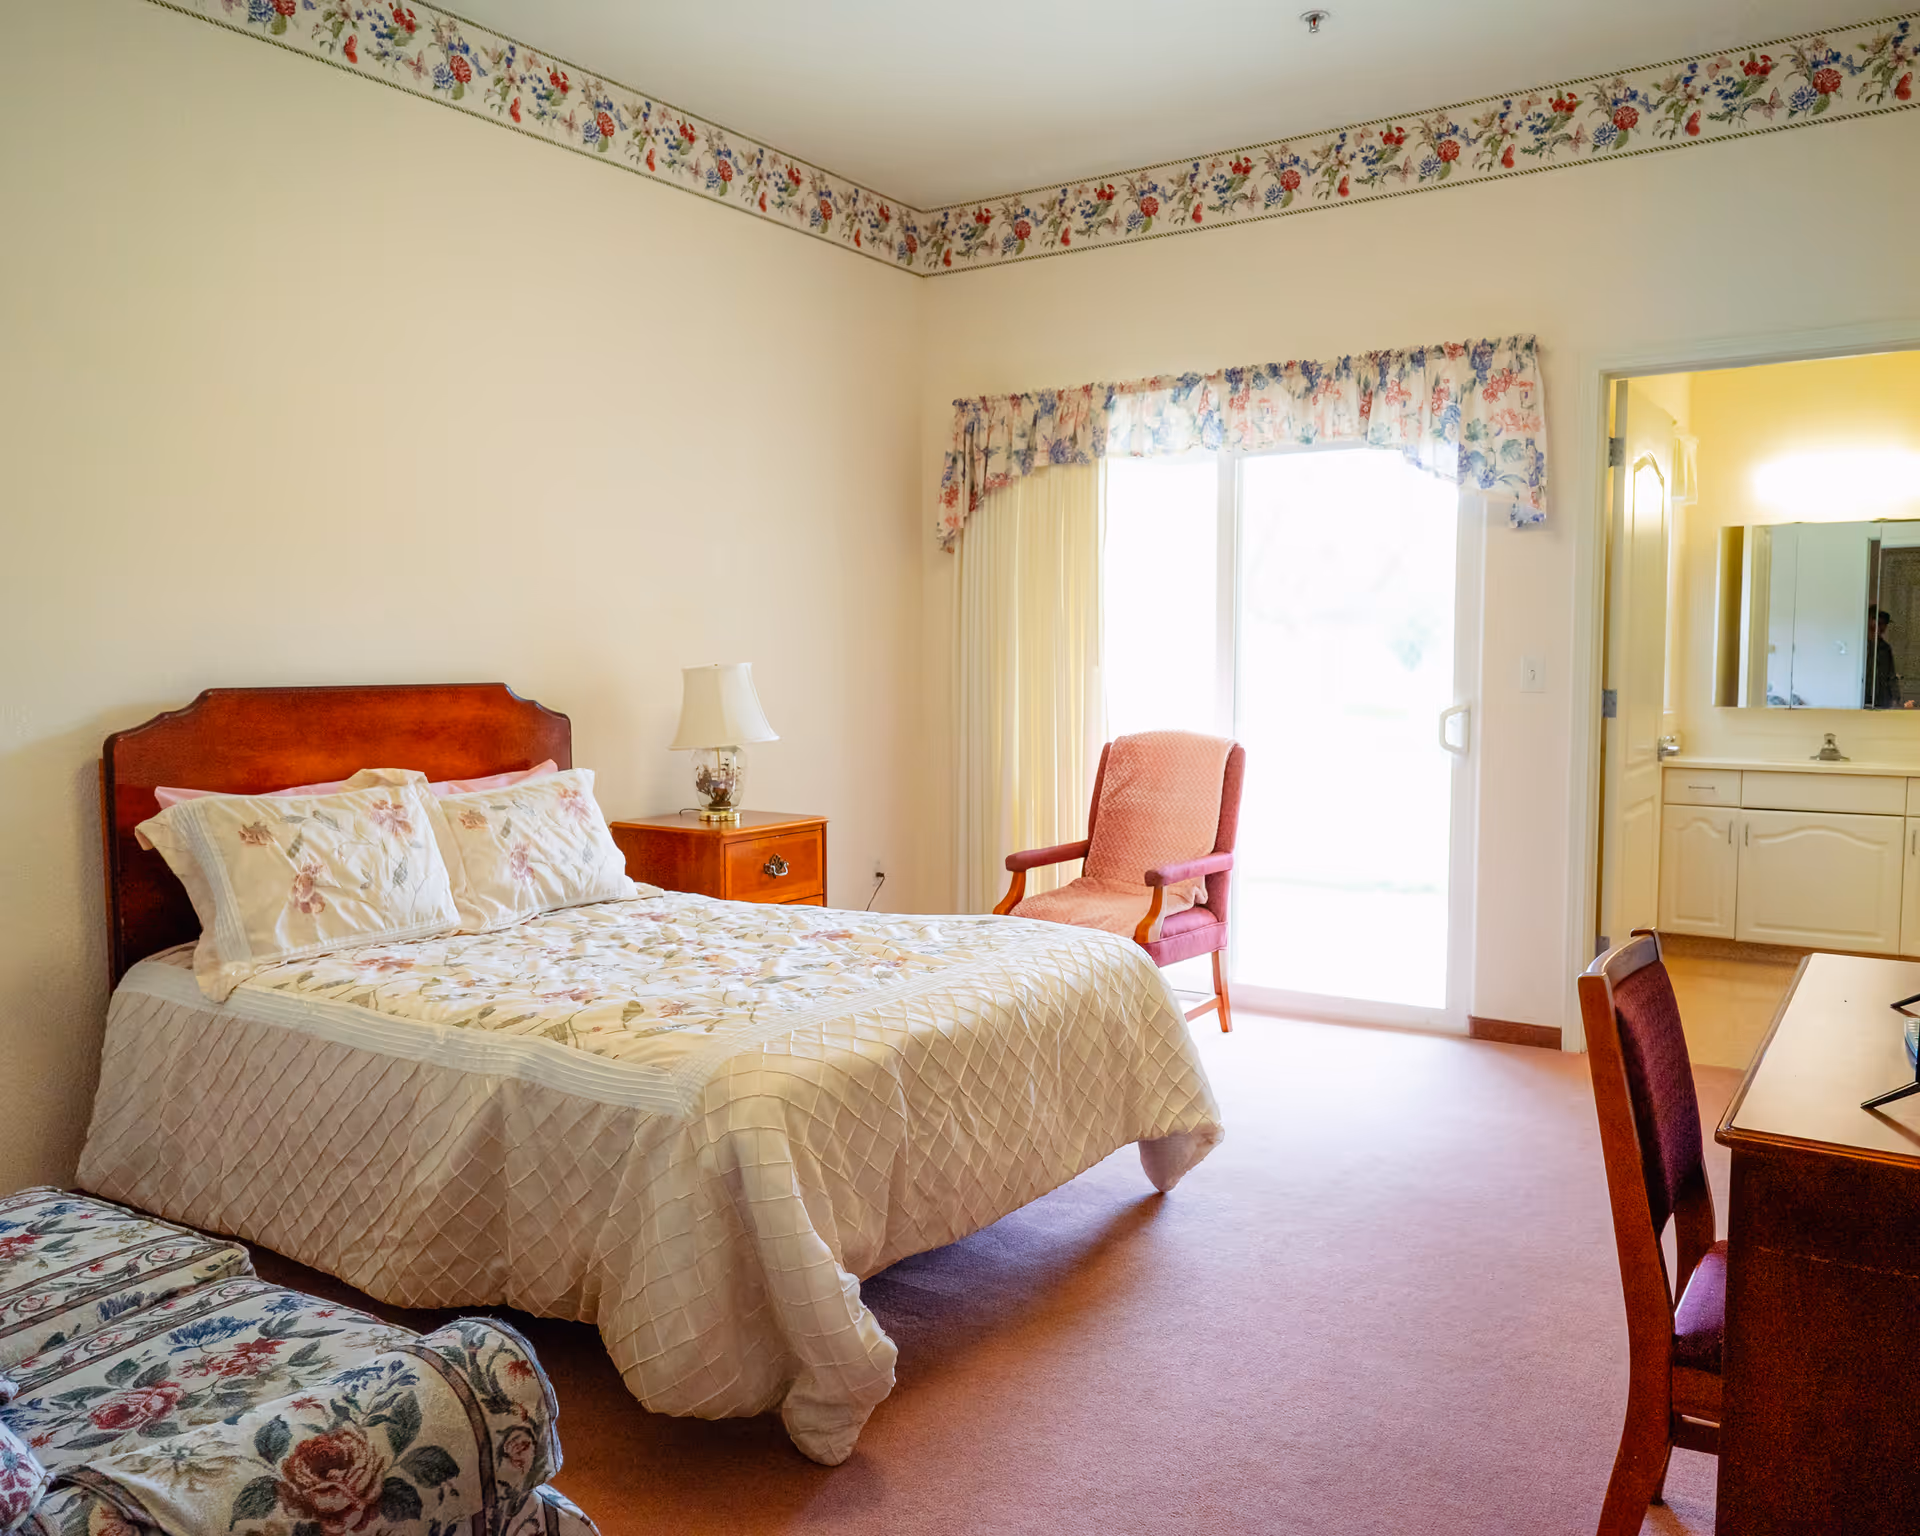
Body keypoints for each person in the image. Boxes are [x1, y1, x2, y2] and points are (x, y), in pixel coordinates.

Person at [1871, 608, 1900, 709]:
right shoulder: (1861, 646)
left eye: (1884, 624)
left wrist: (1895, 697)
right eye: (1879, 623)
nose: (1882, 627)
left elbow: (1891, 673)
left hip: (1882, 697)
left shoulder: (1885, 648)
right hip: (1864, 696)